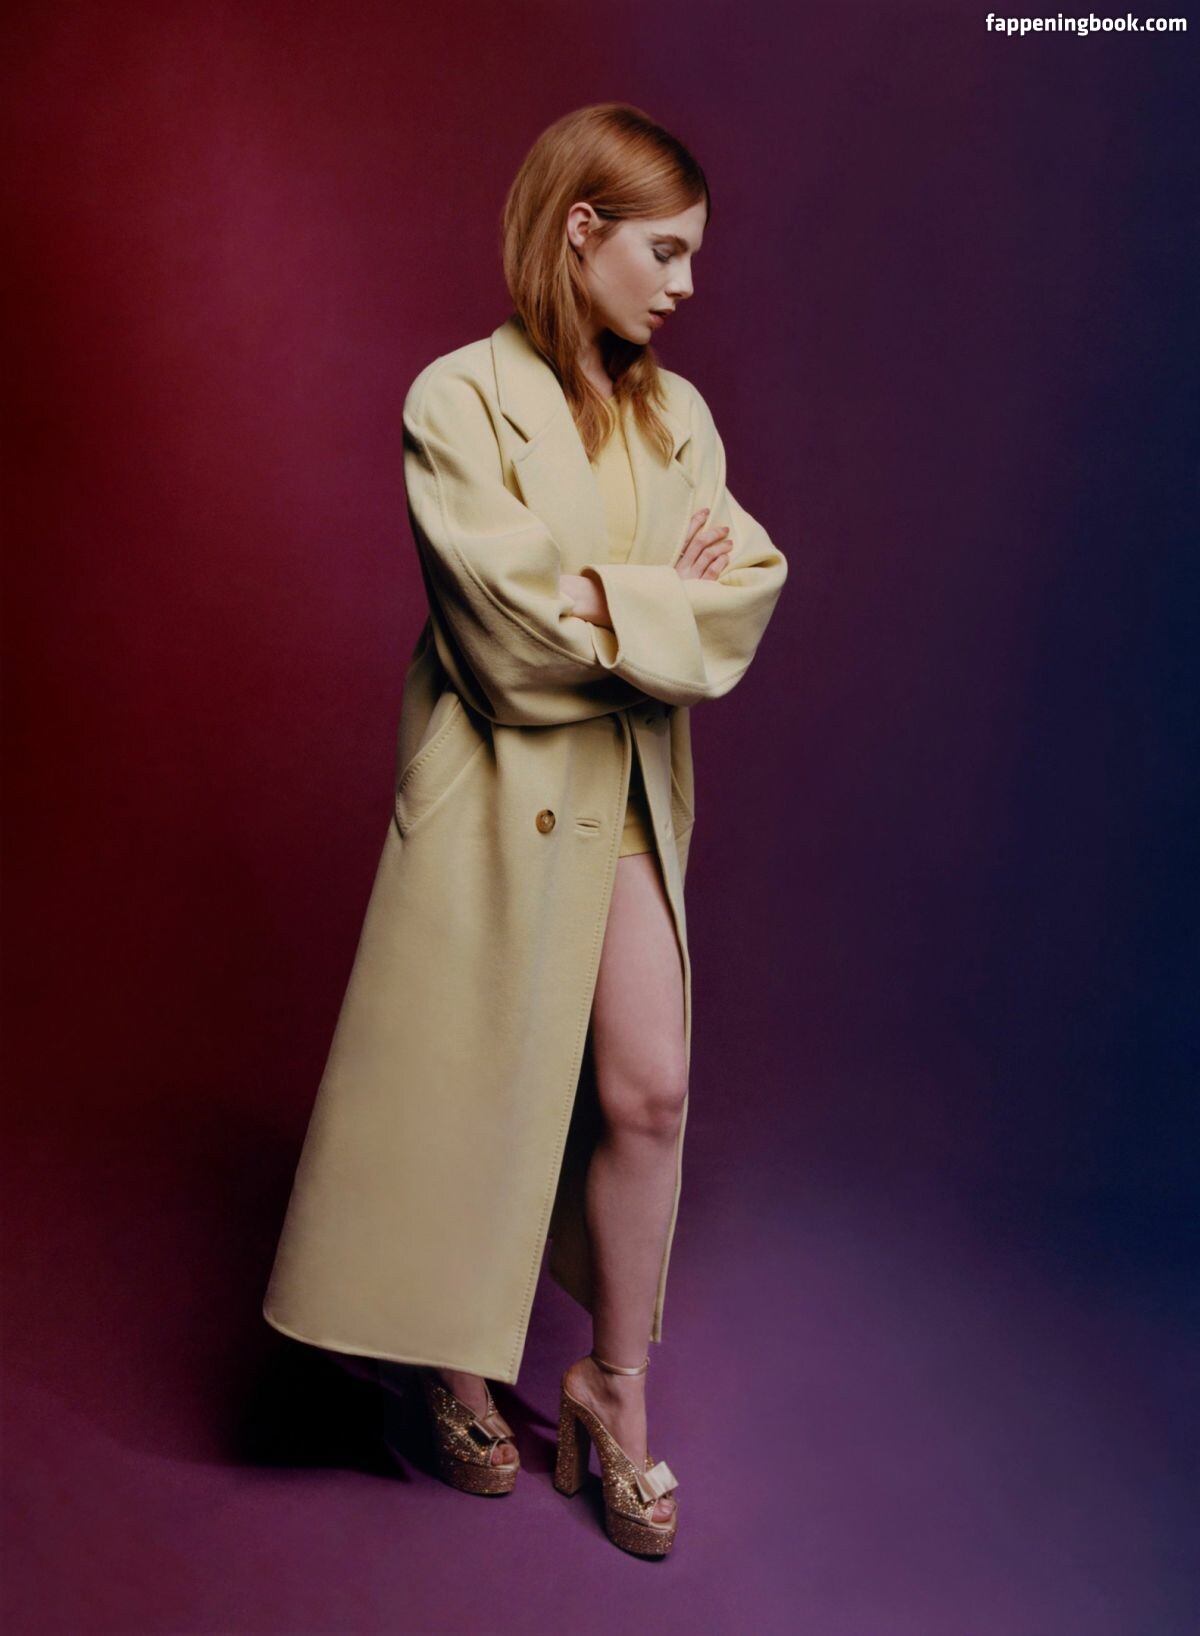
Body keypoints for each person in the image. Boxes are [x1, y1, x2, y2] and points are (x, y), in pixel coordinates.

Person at [262, 102, 788, 1558]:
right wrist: (657, 602)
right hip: (494, 799)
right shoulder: (455, 399)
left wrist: (599, 598)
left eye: (693, 255)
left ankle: (613, 1391)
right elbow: (501, 641)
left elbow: (746, 590)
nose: (686, 284)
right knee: (480, 1083)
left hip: (623, 798)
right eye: (663, 251)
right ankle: (447, 1360)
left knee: (650, 1093)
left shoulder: (681, 416)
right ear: (580, 230)